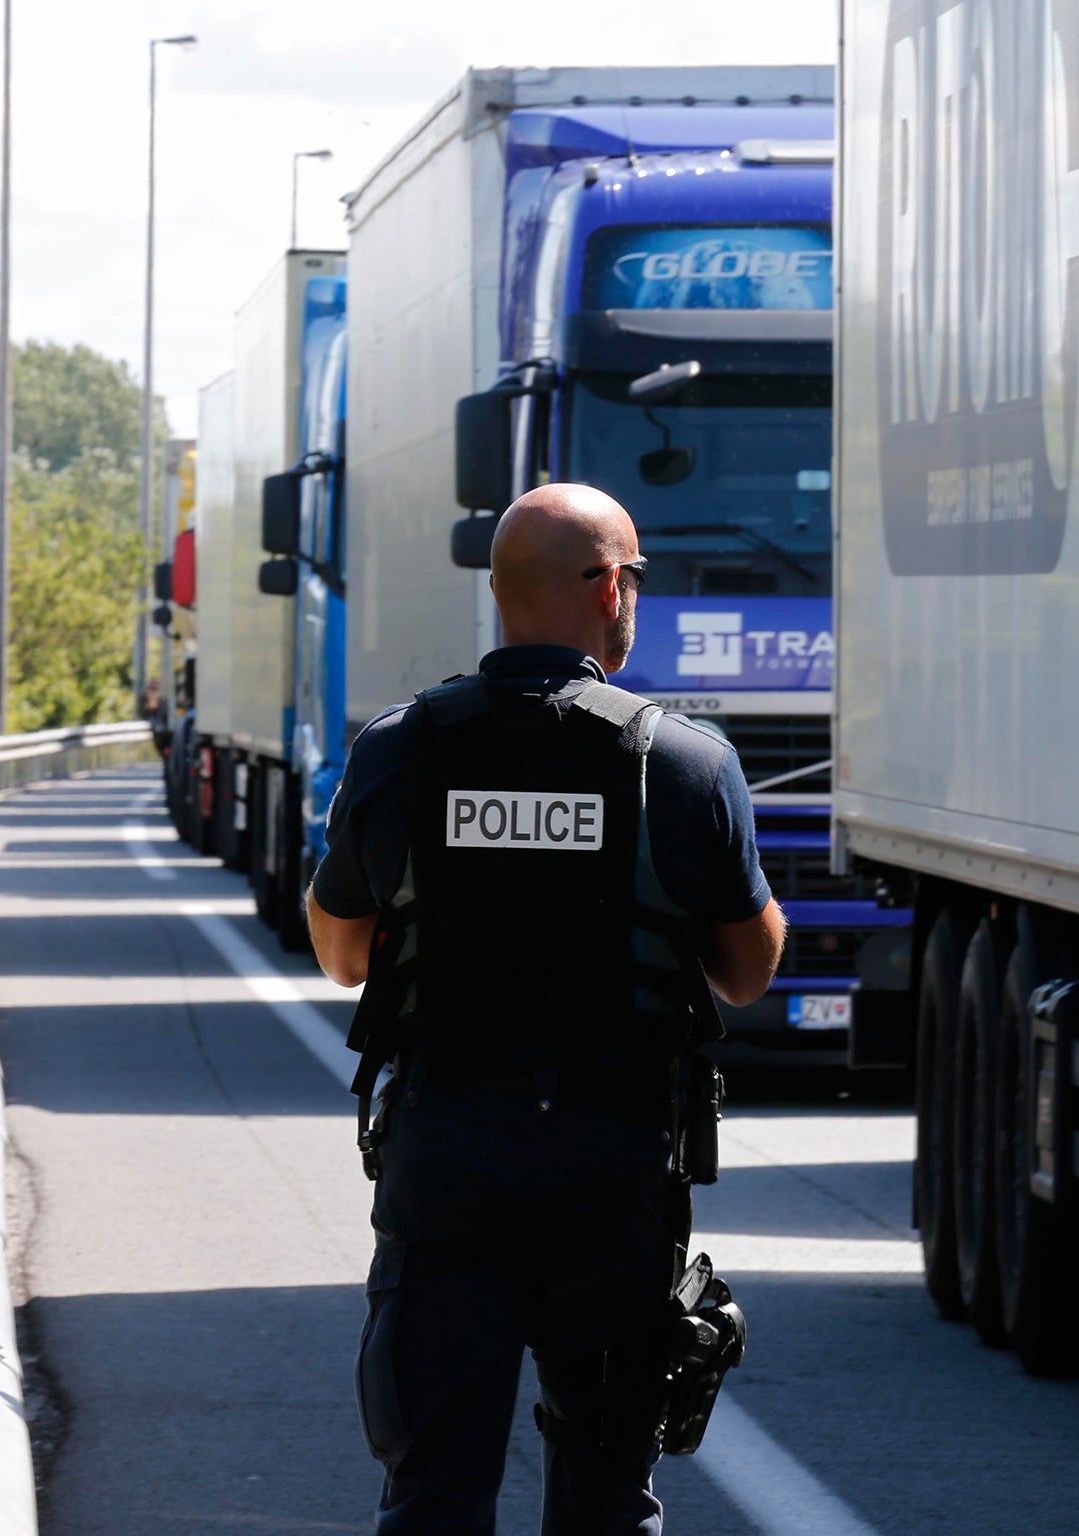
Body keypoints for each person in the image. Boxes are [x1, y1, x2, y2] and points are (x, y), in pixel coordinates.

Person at [308, 483, 785, 1535]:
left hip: (448, 1153)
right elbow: (747, 971)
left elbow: (340, 953)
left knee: (433, 1487)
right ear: (608, 586)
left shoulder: (401, 747)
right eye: (637, 581)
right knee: (608, 1482)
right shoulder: (685, 761)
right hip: (610, 1165)